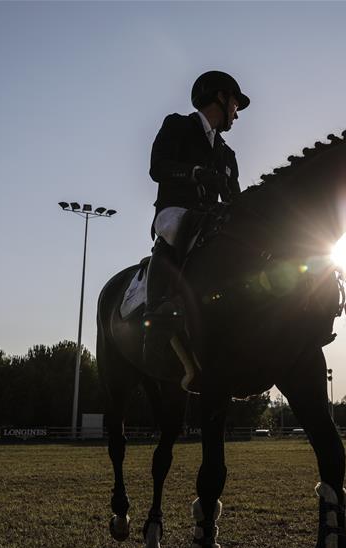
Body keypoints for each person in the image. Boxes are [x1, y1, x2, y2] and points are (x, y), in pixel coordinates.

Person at [143, 71, 250, 367]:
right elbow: (157, 167)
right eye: (235, 106)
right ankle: (155, 314)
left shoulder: (228, 154)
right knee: (189, 224)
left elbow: (235, 201)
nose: (236, 115)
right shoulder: (177, 125)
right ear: (220, 97)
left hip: (211, 219)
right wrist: (195, 173)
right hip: (174, 212)